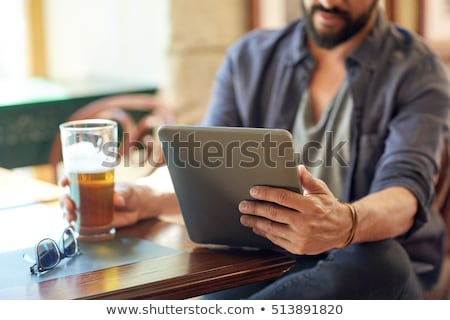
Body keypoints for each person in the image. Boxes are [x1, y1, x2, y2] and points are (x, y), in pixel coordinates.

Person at [62, 0, 450, 299]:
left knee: (381, 260)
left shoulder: (417, 69)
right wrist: (145, 197)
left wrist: (344, 225)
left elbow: (407, 192)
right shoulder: (250, 58)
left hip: (368, 270)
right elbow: (205, 170)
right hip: (268, 262)